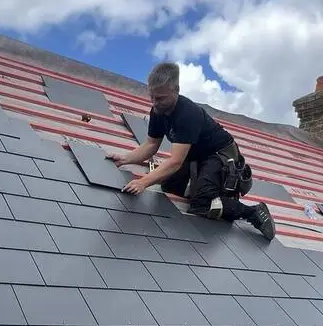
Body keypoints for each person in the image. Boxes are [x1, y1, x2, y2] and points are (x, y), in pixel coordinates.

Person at [107, 62, 276, 240]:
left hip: (219, 155)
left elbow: (175, 161)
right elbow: (150, 145)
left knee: (201, 205)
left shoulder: (187, 114)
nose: (155, 103)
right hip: (196, 156)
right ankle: (206, 190)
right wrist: (124, 159)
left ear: (176, 90)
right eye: (152, 97)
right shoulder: (157, 111)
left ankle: (253, 212)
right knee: (168, 185)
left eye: (161, 98)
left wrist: (143, 182)